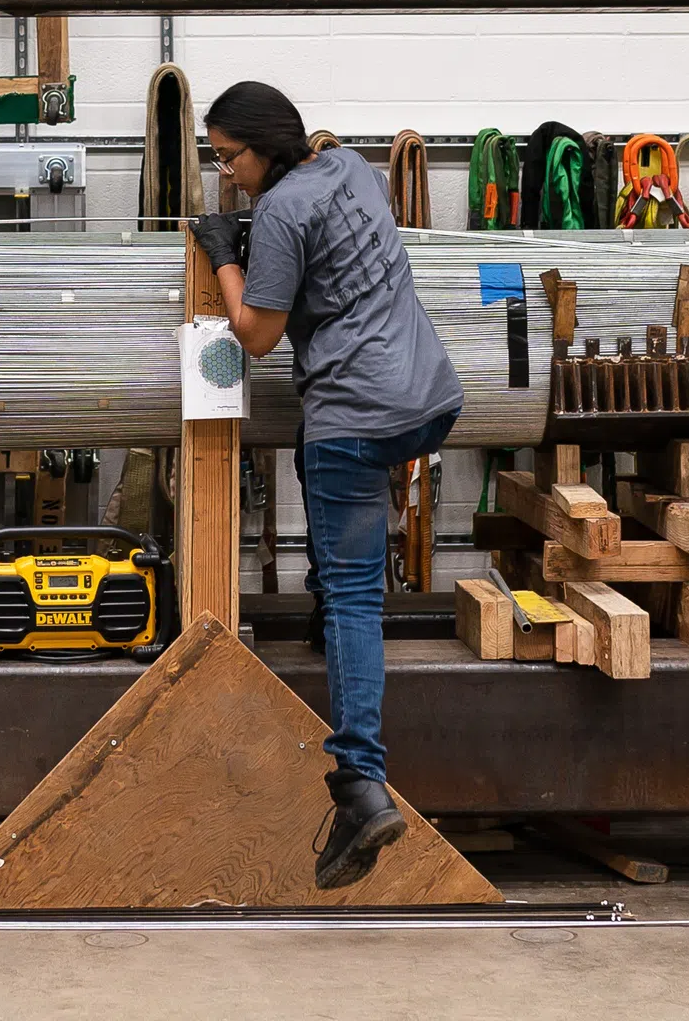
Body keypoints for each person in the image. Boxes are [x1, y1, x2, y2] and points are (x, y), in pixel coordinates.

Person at [191, 81, 463, 891]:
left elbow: (258, 337)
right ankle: (328, 607)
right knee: (328, 499)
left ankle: (358, 785)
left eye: (229, 157)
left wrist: (226, 256)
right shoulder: (350, 168)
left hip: (358, 416)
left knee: (354, 598)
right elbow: (331, 269)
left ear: (265, 145)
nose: (226, 173)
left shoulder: (274, 214)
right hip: (426, 398)